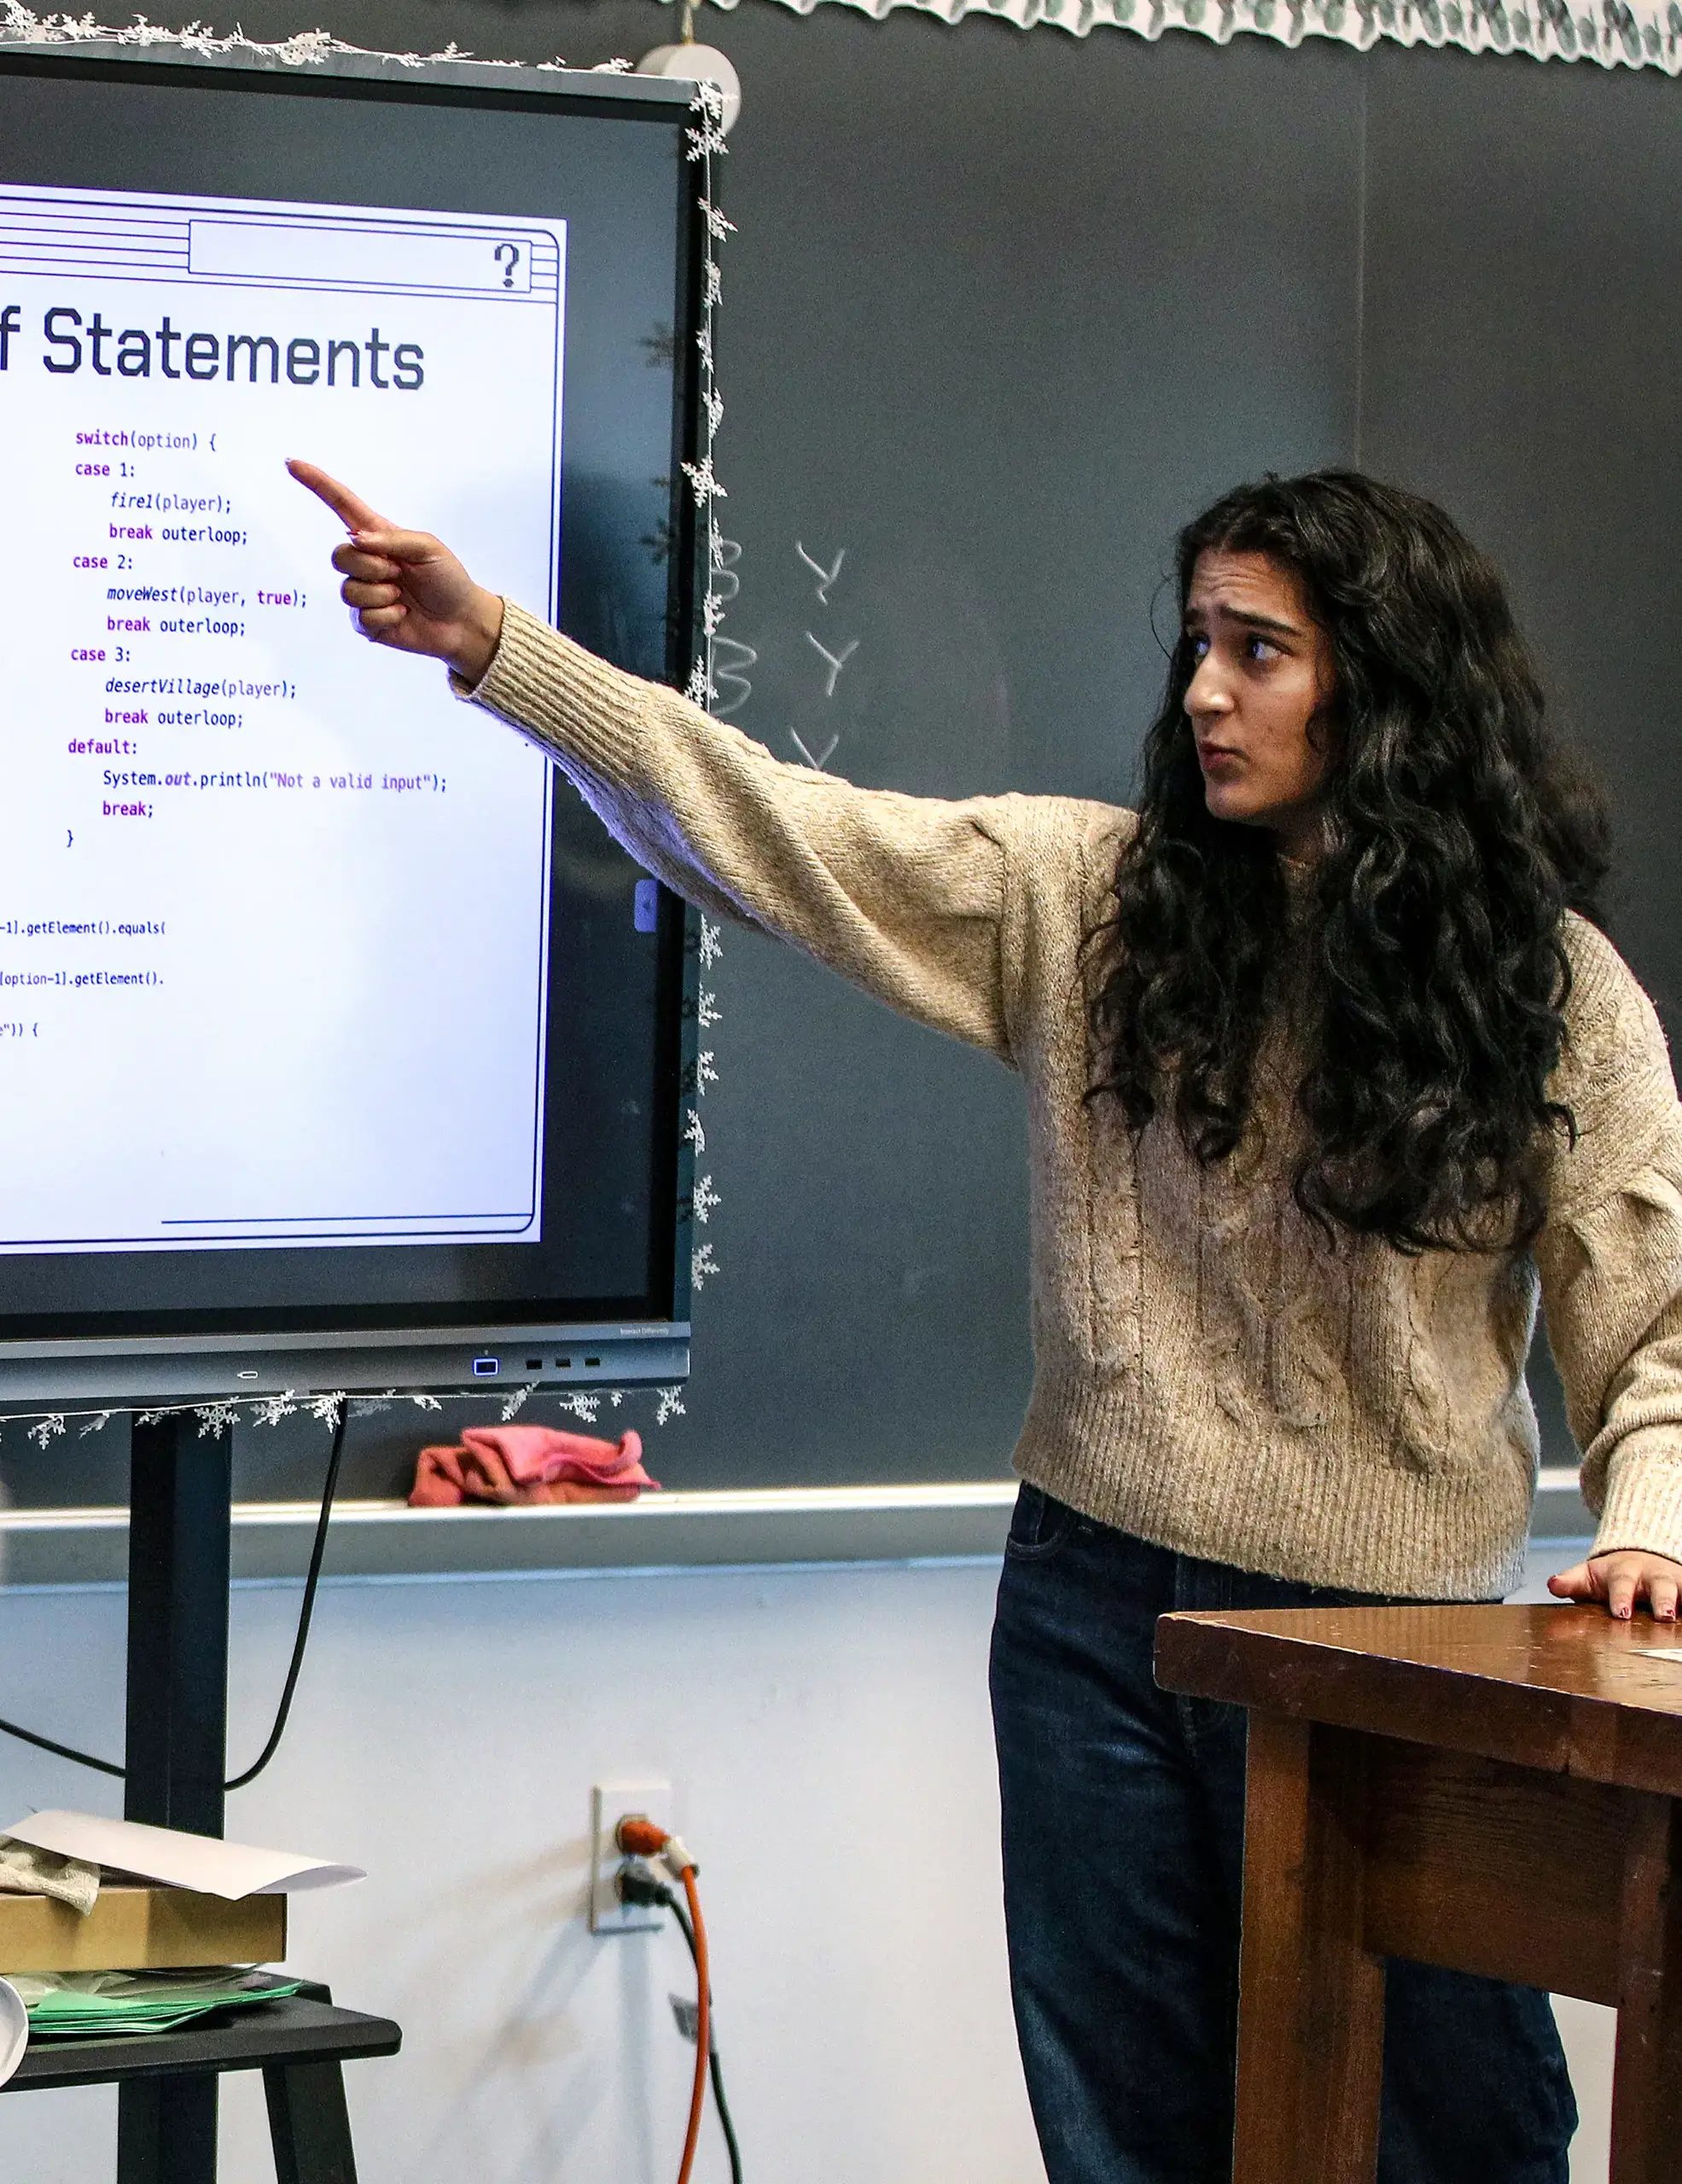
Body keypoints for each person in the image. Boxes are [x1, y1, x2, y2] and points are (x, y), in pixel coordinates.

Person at [290, 457, 1682, 2184]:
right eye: (1195, 641)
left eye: (1260, 649)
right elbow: (772, 832)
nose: (1201, 692)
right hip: (1096, 1608)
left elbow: (1657, 1330)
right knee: (1132, 2133)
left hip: (1389, 1650)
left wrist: (1649, 1530)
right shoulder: (1084, 901)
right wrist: (498, 646)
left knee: (1456, 2137)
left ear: (1383, 686)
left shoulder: (1545, 994)